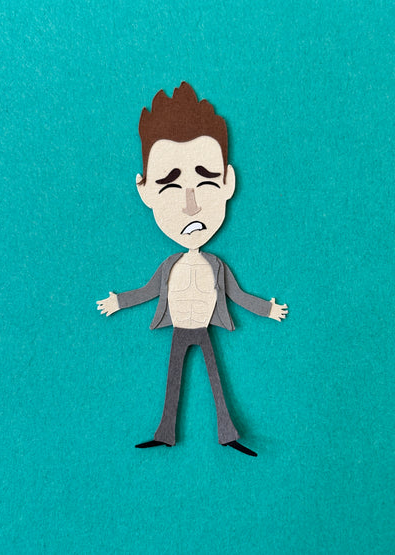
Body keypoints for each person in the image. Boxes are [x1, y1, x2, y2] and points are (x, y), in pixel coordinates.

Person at [97, 82, 288, 457]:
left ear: (228, 182)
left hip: (203, 328)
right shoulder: (169, 266)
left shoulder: (216, 266)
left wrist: (269, 309)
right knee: (173, 382)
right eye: (170, 186)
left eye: (205, 182)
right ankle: (165, 432)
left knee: (216, 381)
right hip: (179, 330)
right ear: (145, 190)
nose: (191, 205)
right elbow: (148, 291)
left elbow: (237, 295)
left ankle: (227, 431)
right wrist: (118, 301)